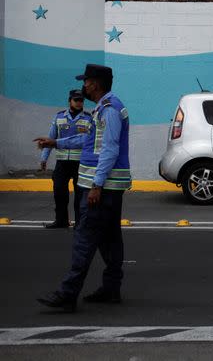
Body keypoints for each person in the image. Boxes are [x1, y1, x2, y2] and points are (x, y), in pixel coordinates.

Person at [33, 64, 131, 312]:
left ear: (95, 84)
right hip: (106, 187)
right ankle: (111, 289)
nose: (83, 86)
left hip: (101, 187)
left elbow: (109, 149)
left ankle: (68, 294)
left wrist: (97, 185)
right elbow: (87, 140)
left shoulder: (108, 110)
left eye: (86, 82)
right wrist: (56, 142)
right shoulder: (105, 108)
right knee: (109, 239)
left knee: (84, 239)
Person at [39, 89, 92, 228]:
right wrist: (44, 158)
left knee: (80, 195)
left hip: (80, 162)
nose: (79, 103)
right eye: (76, 100)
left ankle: (80, 222)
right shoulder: (59, 117)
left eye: (81, 100)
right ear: (70, 101)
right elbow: (51, 139)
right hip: (62, 162)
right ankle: (61, 220)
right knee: (59, 192)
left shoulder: (88, 118)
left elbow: (90, 141)